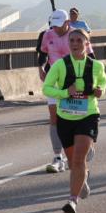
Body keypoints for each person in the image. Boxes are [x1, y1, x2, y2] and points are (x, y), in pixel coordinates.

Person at [42, 28, 106, 213]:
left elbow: (103, 82)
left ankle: (72, 200)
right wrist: (64, 93)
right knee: (73, 163)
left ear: (87, 43)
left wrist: (101, 90)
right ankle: (83, 177)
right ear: (68, 44)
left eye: (79, 40)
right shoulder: (60, 65)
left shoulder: (96, 66)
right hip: (65, 117)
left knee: (78, 159)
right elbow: (46, 88)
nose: (75, 44)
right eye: (72, 41)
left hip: (88, 115)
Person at [40, 10, 72, 172]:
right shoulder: (48, 35)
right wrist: (40, 68)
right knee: (54, 118)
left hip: (74, 81)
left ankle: (82, 147)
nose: (57, 29)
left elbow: (90, 56)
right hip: (54, 82)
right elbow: (43, 54)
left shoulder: (77, 36)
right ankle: (58, 158)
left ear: (67, 22)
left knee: (75, 118)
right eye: (54, 26)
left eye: (60, 26)